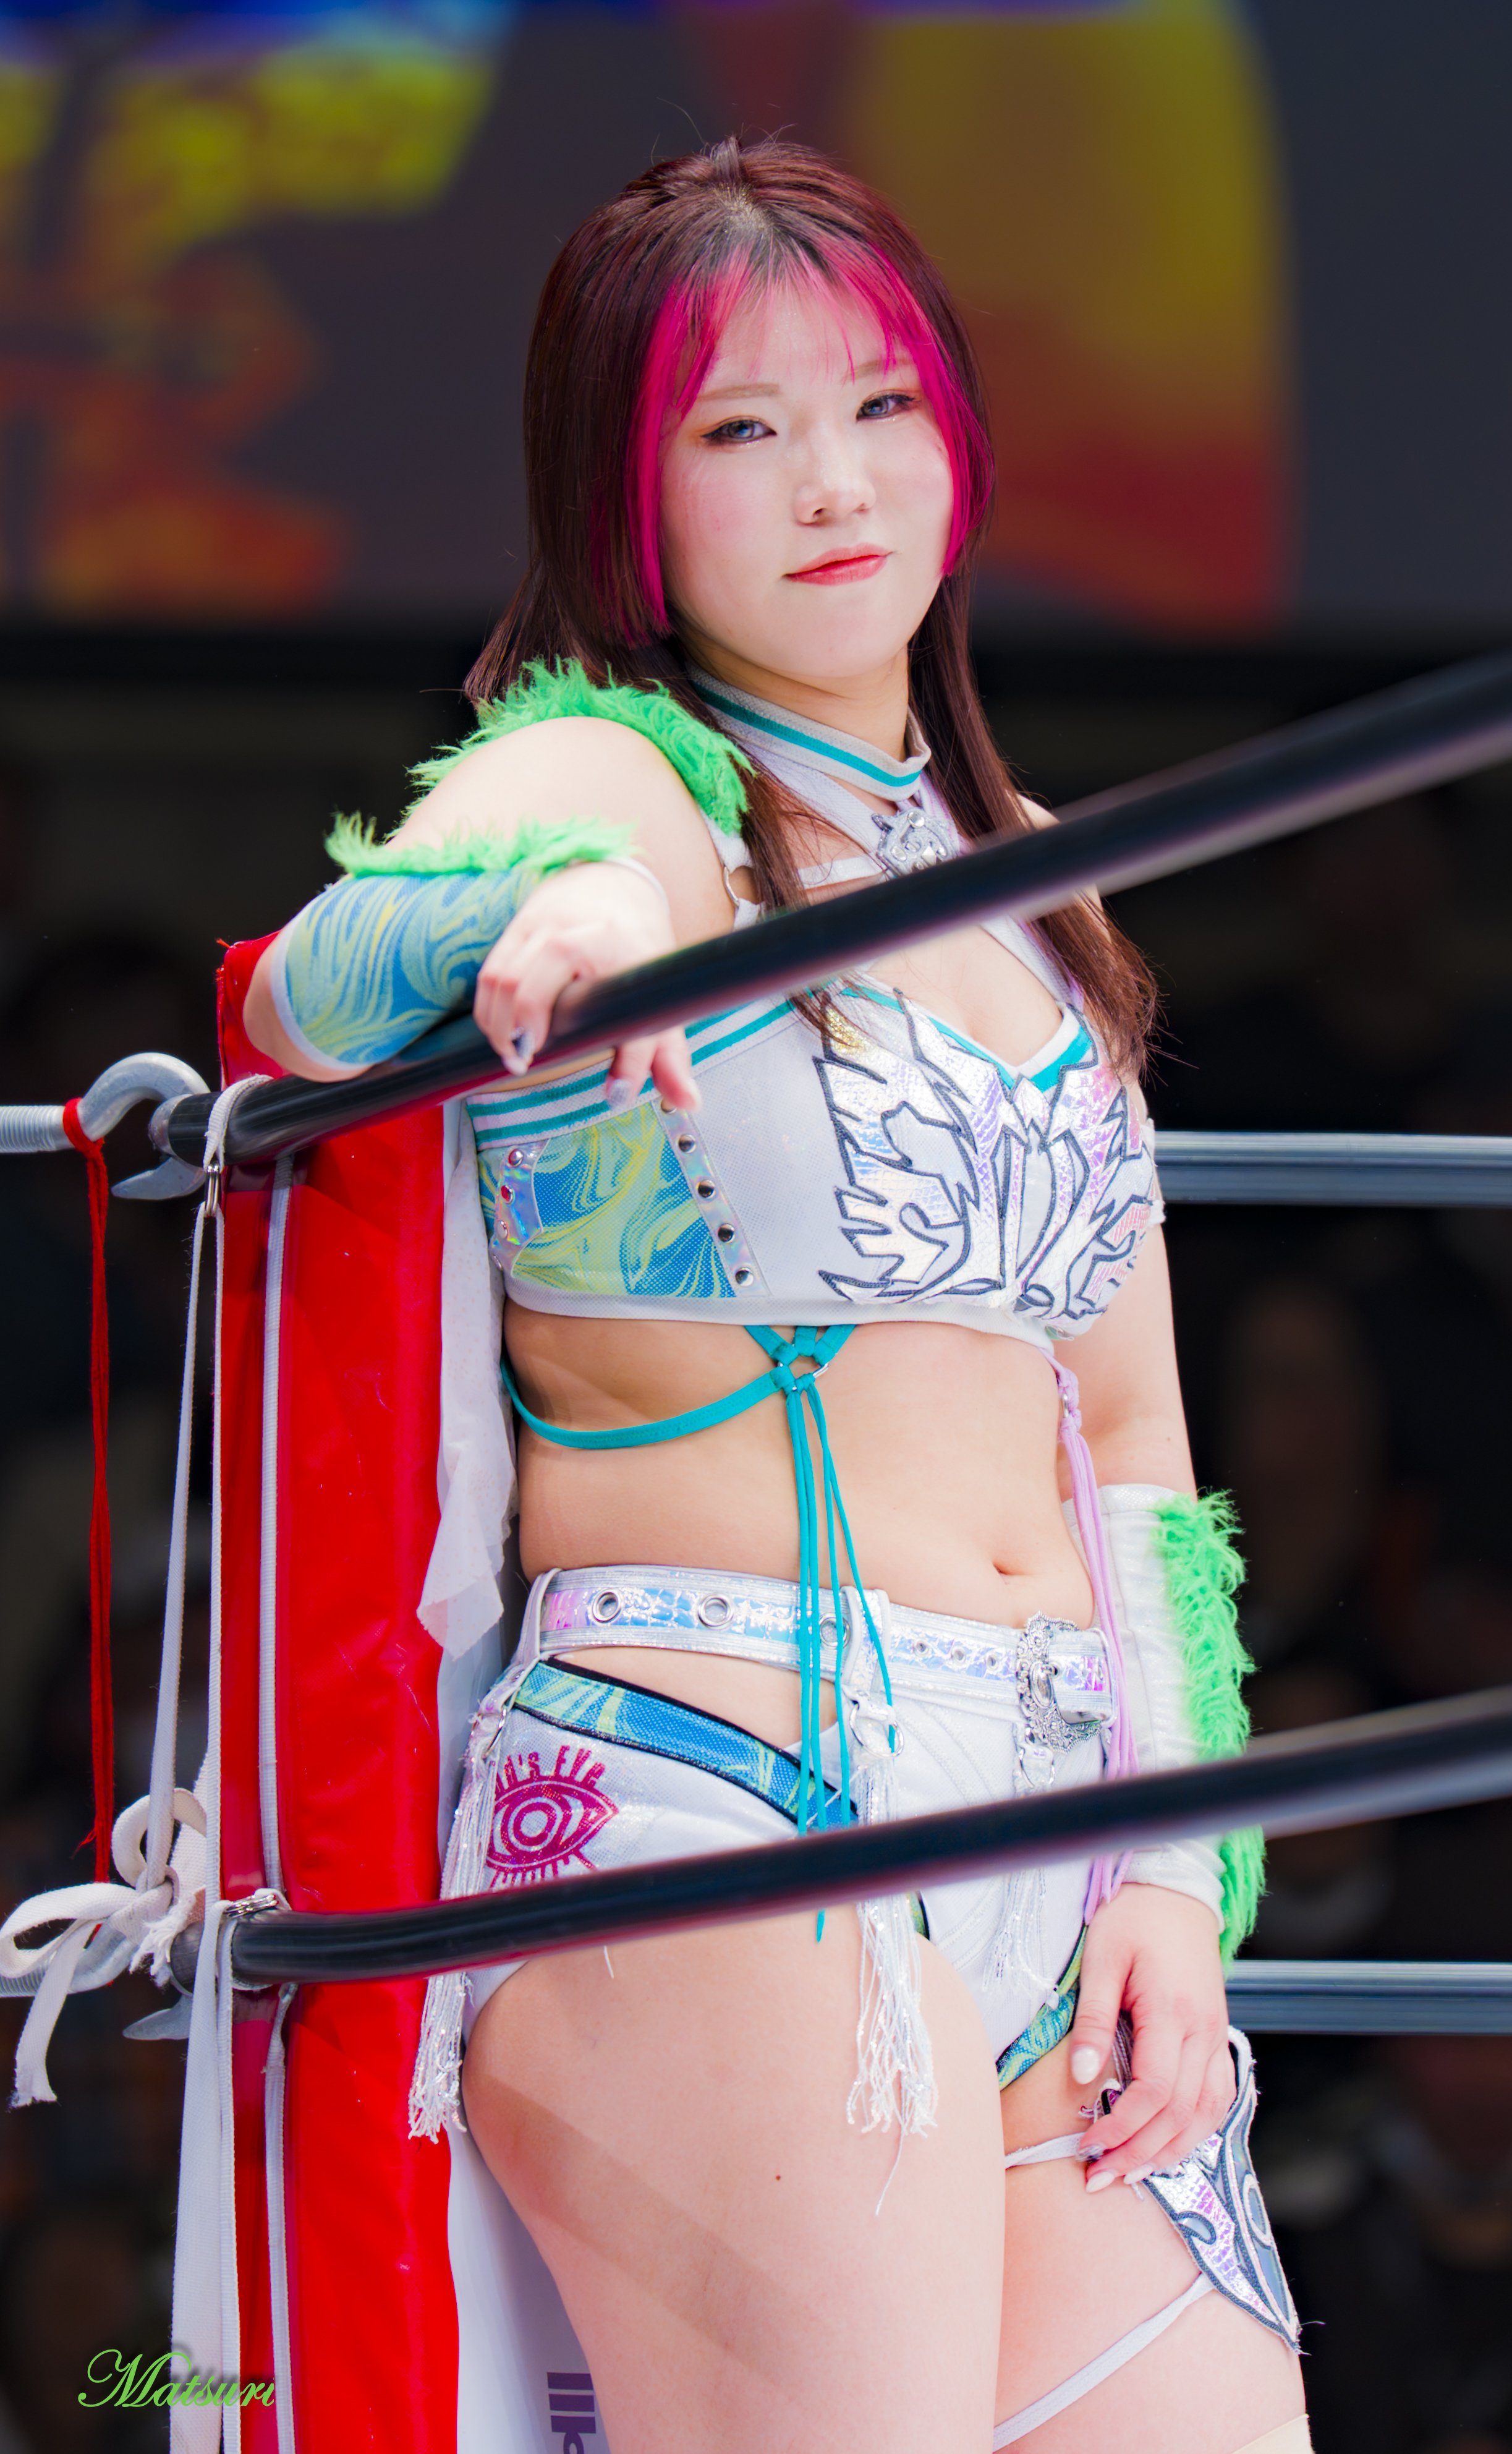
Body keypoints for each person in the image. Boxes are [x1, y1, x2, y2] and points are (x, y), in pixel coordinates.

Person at [240, 138, 1306, 2454]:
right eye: (742, 427)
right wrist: (551, 923)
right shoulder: (614, 773)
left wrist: (1174, 1868)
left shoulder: (1034, 872)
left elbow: (1132, 1436)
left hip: (1052, 1844)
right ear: (625, 495)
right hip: (728, 1795)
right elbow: (316, 987)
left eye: (880, 406)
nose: (834, 482)